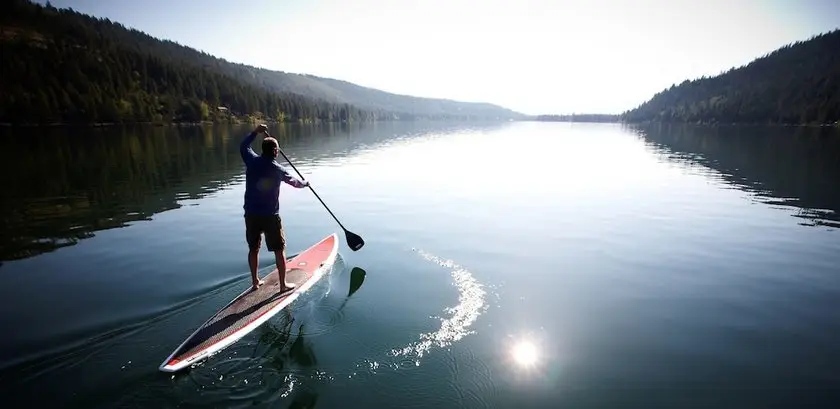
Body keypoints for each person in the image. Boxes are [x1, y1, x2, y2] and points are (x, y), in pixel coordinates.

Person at [240, 124, 309, 292]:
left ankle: (255, 282)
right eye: (277, 150)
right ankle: (283, 285)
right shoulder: (278, 169)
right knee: (279, 249)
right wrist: (305, 183)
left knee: (253, 249)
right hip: (270, 215)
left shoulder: (251, 161)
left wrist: (255, 132)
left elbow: (243, 146)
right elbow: (295, 183)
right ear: (276, 152)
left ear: (263, 149)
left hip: (251, 214)